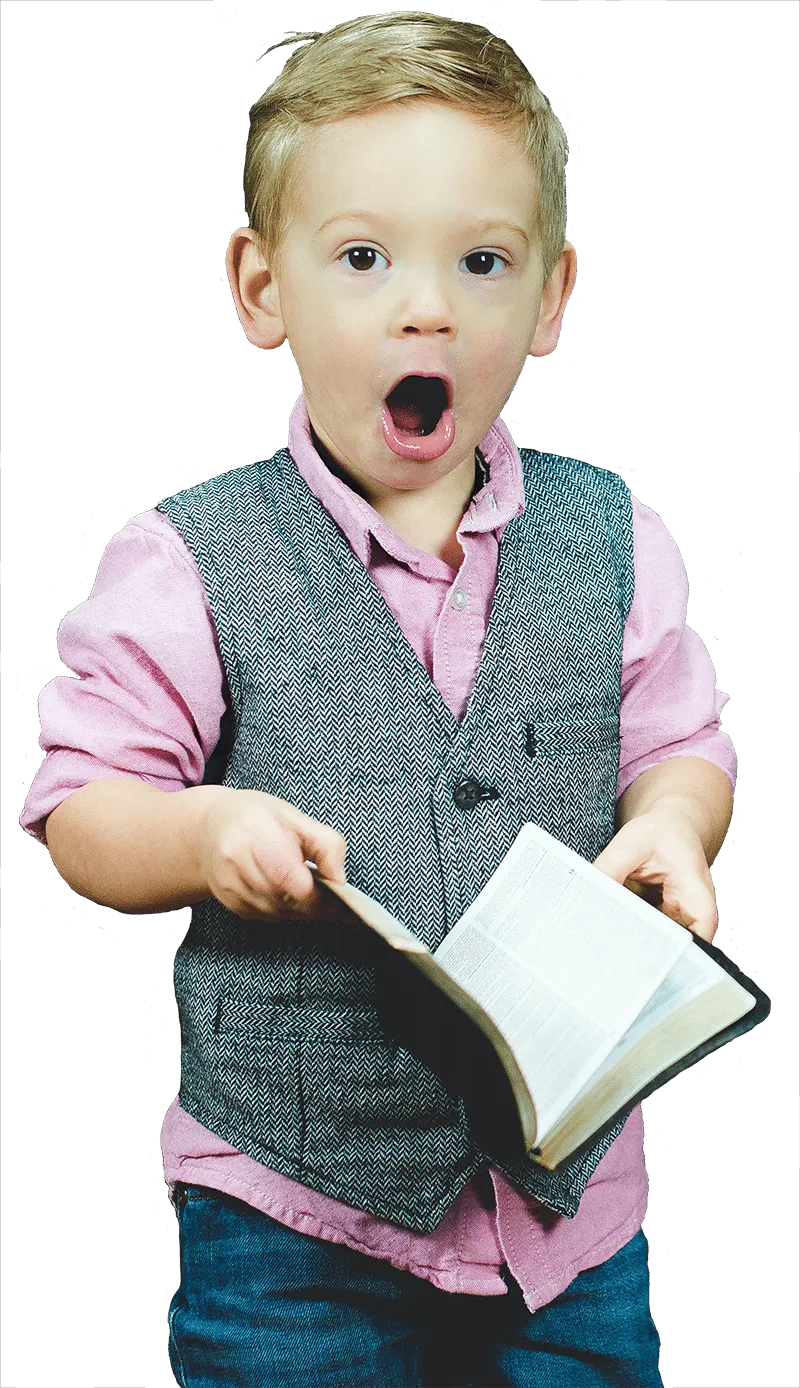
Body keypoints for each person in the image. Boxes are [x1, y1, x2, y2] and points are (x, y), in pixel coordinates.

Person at [18, 11, 735, 1387]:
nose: (429, 307)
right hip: (293, 1218)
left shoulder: (617, 534)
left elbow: (682, 739)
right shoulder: (187, 558)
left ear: (552, 298)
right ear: (259, 286)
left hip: (572, 1227)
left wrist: (677, 823)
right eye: (363, 258)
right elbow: (78, 812)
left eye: (483, 261)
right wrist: (199, 831)